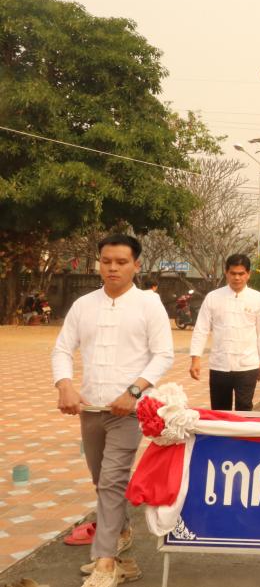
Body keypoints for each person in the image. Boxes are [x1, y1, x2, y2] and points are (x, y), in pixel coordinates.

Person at [52, 234, 174, 587]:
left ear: (136, 265)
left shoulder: (149, 305)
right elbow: (62, 349)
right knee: (99, 477)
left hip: (128, 411)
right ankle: (119, 530)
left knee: (112, 480)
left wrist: (134, 391)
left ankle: (105, 561)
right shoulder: (83, 305)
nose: (113, 268)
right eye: (107, 261)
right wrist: (65, 385)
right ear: (98, 263)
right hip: (90, 407)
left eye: (121, 262)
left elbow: (163, 353)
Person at [189, 254, 260, 411]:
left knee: (245, 408)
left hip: (247, 364)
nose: (237, 278)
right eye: (233, 273)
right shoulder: (213, 297)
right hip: (220, 364)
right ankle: (222, 437)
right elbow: (201, 328)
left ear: (248, 274)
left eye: (241, 274)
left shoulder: (258, 299)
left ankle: (243, 437)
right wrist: (195, 359)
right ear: (226, 273)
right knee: (220, 411)